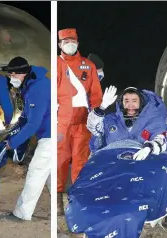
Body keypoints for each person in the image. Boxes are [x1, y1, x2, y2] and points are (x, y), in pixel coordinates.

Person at [56, 28, 103, 214]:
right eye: (65, 41)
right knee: (60, 160)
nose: (69, 44)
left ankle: (77, 200)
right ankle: (58, 200)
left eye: (72, 40)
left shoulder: (88, 65)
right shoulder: (56, 64)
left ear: (78, 42)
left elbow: (96, 94)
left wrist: (97, 114)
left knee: (80, 162)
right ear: (59, 44)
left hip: (83, 122)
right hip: (62, 122)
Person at [1, 56, 51, 221]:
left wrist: (13, 143)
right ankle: (70, 211)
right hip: (52, 135)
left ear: (22, 74)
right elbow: (26, 117)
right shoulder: (31, 85)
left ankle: (22, 214)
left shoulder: (38, 88)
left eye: (13, 75)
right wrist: (14, 131)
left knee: (36, 172)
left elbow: (33, 124)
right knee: (51, 176)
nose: (11, 78)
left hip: (51, 136)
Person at [87, 86, 167, 157]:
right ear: (122, 103)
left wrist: (149, 148)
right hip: (112, 164)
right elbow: (93, 127)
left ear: (141, 102)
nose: (130, 104)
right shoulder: (111, 120)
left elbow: (161, 139)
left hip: (142, 165)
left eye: (134, 101)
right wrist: (102, 107)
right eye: (126, 101)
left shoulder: (151, 120)